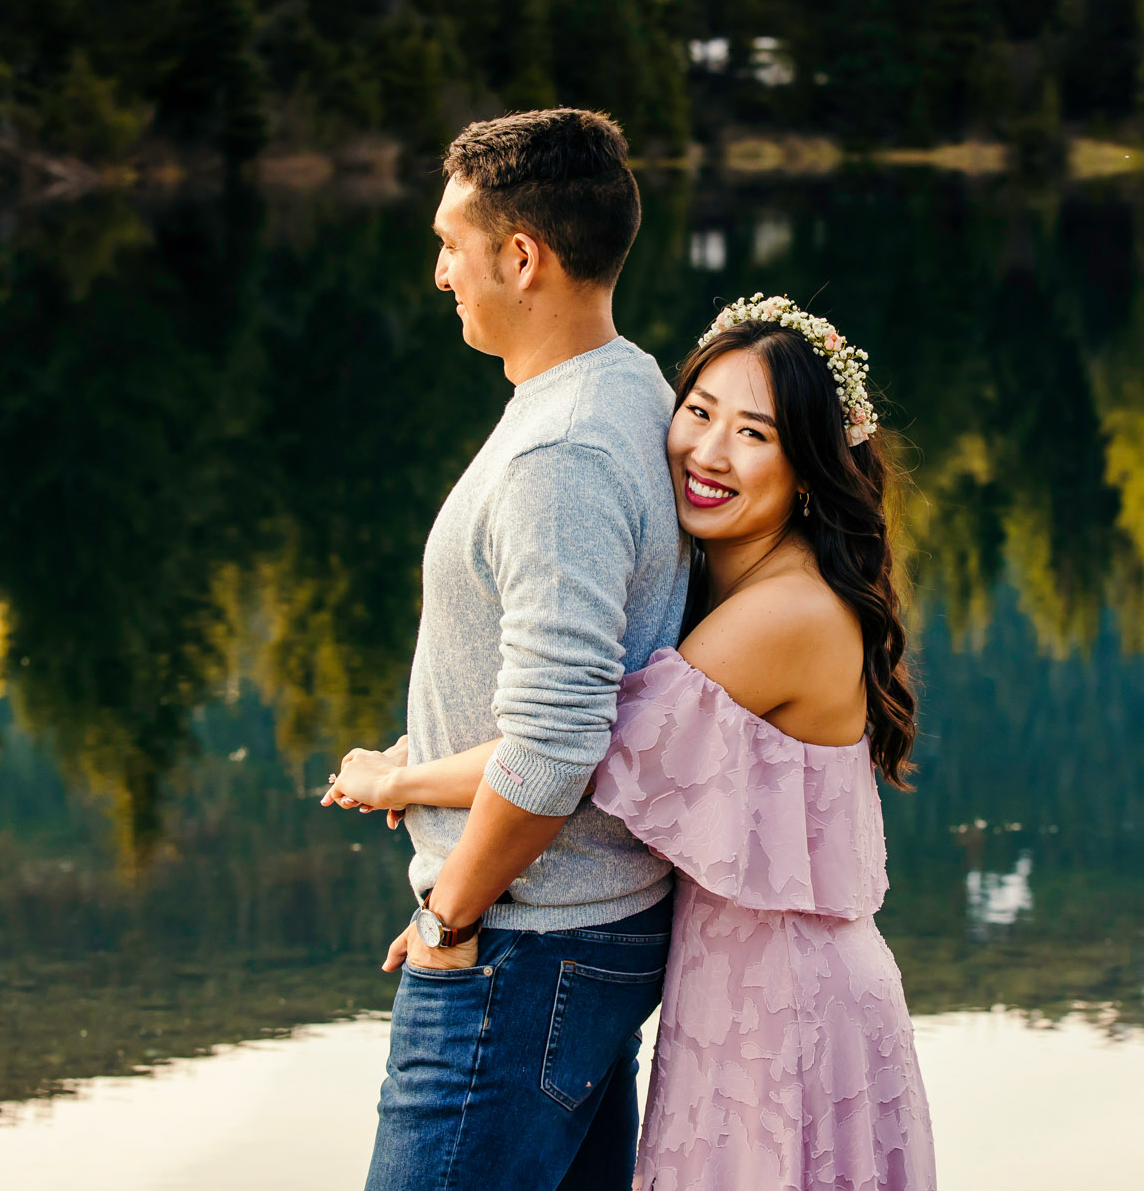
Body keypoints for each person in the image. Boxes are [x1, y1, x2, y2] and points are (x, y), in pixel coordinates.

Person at [331, 294, 938, 1190]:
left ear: (809, 468)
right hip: (738, 991)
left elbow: (575, 753)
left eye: (755, 434)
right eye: (698, 412)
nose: (708, 451)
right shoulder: (735, 591)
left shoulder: (782, 614)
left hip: (784, 1013)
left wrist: (400, 780)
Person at [332, 108, 690, 1191]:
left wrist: (446, 918)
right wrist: (415, 766)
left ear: (521, 256)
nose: (440, 273)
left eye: (451, 245)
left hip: (522, 940)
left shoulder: (562, 451)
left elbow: (553, 749)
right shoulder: (627, 384)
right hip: (580, 931)